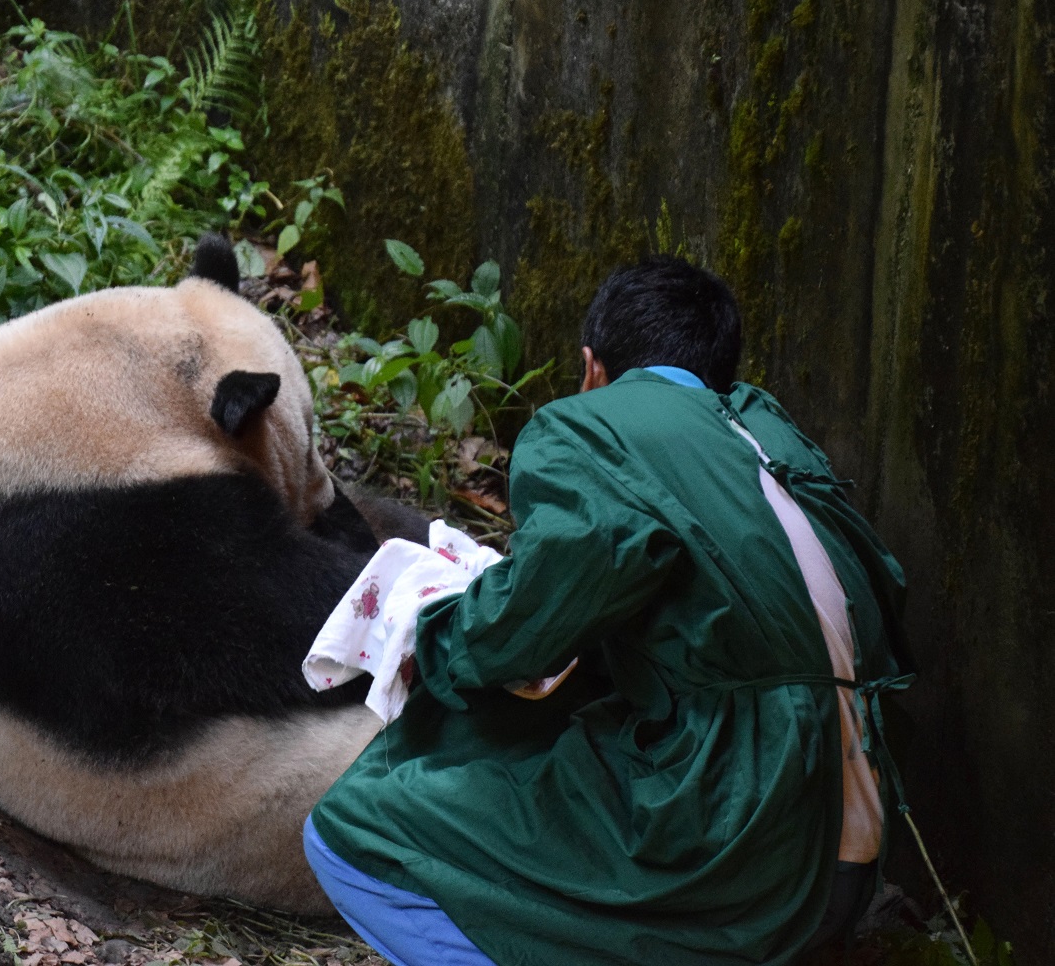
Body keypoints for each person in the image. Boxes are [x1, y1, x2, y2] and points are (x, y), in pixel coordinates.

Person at [303, 256, 912, 965]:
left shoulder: (592, 427)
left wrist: (432, 634)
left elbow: (520, 631)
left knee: (350, 832)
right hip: (853, 862)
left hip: (740, 854)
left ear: (592, 368)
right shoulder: (776, 440)